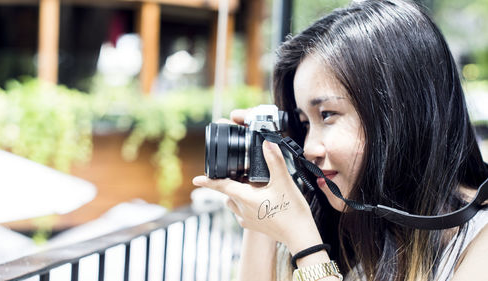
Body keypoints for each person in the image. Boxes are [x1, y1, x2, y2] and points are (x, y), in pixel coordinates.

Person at [193, 0, 488, 280]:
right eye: (305, 123)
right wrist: (262, 193)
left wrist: (304, 241)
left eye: (327, 115)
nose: (308, 149)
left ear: (400, 113)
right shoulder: (371, 223)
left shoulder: (481, 241)